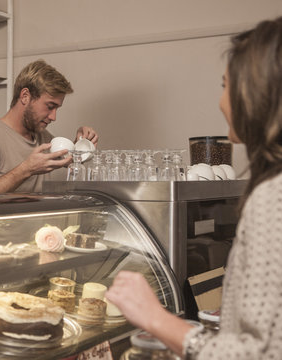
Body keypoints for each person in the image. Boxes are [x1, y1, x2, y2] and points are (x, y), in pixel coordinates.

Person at [105, 17, 282, 359]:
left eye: (225, 85)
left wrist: (154, 317)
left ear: (254, 94)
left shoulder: (272, 197)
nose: (221, 101)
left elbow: (261, 353)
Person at [0, 59, 98, 195]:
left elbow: (71, 163)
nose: (53, 117)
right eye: (50, 107)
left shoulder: (43, 136)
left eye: (57, 108)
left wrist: (79, 146)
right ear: (25, 96)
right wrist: (27, 169)